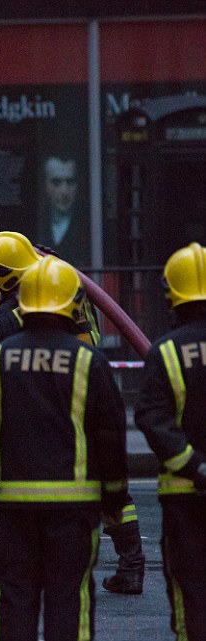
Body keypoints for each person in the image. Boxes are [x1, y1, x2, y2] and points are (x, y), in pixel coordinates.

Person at [0, 230, 145, 595]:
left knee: (5, 469)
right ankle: (132, 564)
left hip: (55, 393)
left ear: (5, 276)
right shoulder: (63, 283)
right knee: (106, 477)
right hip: (86, 386)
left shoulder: (24, 305)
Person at [134, 242, 206, 640]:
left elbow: (152, 416)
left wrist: (194, 466)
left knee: (190, 589)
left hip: (184, 495)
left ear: (171, 296)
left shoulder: (166, 351)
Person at [37, 155, 89, 267]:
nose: (64, 191)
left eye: (70, 182)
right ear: (45, 185)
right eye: (56, 182)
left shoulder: (91, 225)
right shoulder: (34, 222)